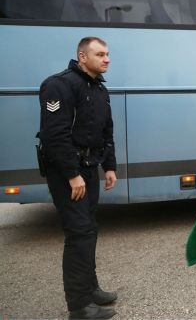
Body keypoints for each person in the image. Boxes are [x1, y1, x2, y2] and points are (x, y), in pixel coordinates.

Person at [39, 37, 118, 320]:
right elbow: (54, 136)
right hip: (67, 172)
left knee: (89, 229)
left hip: (89, 167)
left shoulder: (99, 88)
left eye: (107, 54)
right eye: (100, 54)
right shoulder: (59, 85)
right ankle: (79, 306)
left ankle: (90, 289)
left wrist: (109, 166)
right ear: (82, 57)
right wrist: (72, 175)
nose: (107, 59)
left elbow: (106, 131)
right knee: (79, 233)